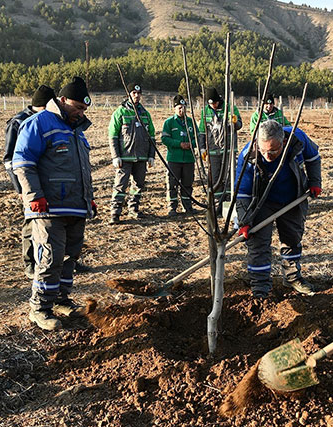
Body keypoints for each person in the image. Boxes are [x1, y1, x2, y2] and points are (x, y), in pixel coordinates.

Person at [12, 76, 95, 331]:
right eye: (77, 107)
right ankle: (40, 308)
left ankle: (61, 299)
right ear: (62, 100)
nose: (80, 113)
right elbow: (23, 162)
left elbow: (82, 169)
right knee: (50, 257)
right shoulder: (38, 124)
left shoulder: (77, 131)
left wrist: (88, 198)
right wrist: (34, 196)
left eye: (84, 109)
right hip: (49, 207)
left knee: (70, 256)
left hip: (75, 206)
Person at [235, 120, 321, 298]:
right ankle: (260, 288)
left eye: (273, 151)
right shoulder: (248, 156)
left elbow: (313, 158)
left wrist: (315, 182)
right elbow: (242, 192)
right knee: (258, 244)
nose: (267, 155)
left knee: (292, 238)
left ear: (283, 142)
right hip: (261, 202)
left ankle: (291, 278)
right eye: (263, 150)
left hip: (292, 198)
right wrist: (244, 221)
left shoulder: (297, 139)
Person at [4, 85, 55, 279]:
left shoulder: (51, 120)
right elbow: (10, 159)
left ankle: (60, 260)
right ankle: (30, 263)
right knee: (31, 223)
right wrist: (20, 188)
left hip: (49, 181)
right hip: (29, 183)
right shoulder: (18, 123)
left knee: (55, 224)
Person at [107, 83, 156, 224]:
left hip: (141, 157)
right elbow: (113, 136)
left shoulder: (145, 114)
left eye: (138, 93)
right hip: (125, 157)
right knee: (120, 185)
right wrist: (115, 156)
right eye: (133, 93)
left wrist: (151, 156)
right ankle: (115, 212)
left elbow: (152, 136)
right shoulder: (120, 112)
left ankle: (133, 208)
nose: (136, 95)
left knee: (138, 185)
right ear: (128, 94)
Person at [199, 87, 242, 215]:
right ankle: (218, 205)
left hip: (228, 150)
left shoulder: (230, 108)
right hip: (213, 151)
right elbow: (202, 131)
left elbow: (239, 125)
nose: (213, 106)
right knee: (215, 178)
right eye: (211, 104)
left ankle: (229, 203)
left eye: (215, 103)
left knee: (229, 176)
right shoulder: (205, 111)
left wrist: (235, 123)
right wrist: (202, 148)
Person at [160, 94, 198, 217]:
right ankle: (172, 207)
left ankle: (187, 206)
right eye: (179, 108)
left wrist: (190, 145)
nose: (182, 110)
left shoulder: (191, 122)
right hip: (174, 159)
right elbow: (165, 139)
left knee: (187, 183)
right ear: (174, 109)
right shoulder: (169, 123)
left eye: (183, 107)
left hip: (188, 159)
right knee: (172, 184)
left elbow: (197, 138)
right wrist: (179, 144)